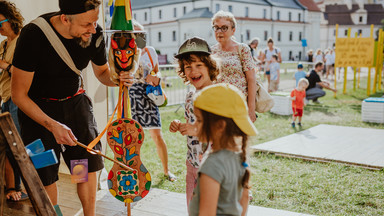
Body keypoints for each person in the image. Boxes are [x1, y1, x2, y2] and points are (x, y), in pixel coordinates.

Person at [11, 0, 133, 214]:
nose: (93, 29)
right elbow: (18, 95)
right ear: (65, 18)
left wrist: (118, 78)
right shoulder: (33, 36)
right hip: (37, 113)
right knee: (45, 173)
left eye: (95, 22)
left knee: (82, 167)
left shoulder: (94, 33)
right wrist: (52, 125)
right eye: (87, 24)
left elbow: (103, 73)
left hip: (75, 107)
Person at [188, 83, 257, 216]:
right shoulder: (239, 157)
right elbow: (244, 201)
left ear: (220, 126)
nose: (194, 125)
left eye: (199, 120)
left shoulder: (212, 165)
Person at [169, 36, 219, 206]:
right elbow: (190, 122)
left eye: (199, 65)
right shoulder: (190, 96)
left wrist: (195, 130)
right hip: (193, 165)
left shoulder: (220, 94)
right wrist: (178, 124)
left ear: (210, 66)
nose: (193, 71)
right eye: (188, 67)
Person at [129, 21, 176, 182]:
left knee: (157, 134)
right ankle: (134, 171)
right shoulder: (124, 52)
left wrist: (156, 77)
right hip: (133, 96)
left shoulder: (149, 51)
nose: (139, 37)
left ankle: (166, 170)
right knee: (134, 138)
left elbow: (157, 70)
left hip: (149, 95)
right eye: (135, 33)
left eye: (141, 33)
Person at [0, 0, 28, 202]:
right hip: (6, 99)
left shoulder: (23, 40)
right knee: (9, 145)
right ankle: (12, 187)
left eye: (0, 22)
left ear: (12, 19)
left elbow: (26, 72)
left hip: (19, 99)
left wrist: (4, 65)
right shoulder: (3, 45)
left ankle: (34, 187)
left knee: (21, 146)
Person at [211, 10, 257, 122]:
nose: (219, 31)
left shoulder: (242, 49)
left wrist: (251, 108)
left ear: (233, 30)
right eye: (216, 27)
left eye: (224, 27)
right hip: (218, 106)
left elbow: (251, 79)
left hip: (239, 106)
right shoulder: (210, 51)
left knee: (238, 139)